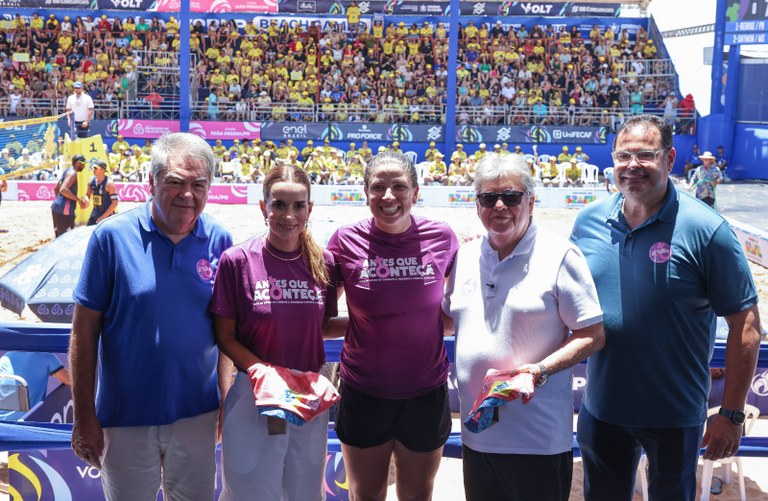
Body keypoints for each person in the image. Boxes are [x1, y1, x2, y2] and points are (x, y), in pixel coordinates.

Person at [570, 115, 761, 501]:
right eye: (623, 156)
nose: (632, 165)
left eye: (645, 155)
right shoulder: (588, 221)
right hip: (602, 410)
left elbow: (747, 325)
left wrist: (731, 413)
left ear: (670, 158)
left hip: (674, 417)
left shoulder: (707, 230)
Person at [69, 133, 233, 500]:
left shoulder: (221, 240)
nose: (187, 194)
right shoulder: (110, 238)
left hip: (197, 415)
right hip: (124, 417)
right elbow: (83, 331)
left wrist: (226, 401)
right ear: (151, 182)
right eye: (175, 182)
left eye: (199, 184)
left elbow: (225, 332)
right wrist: (83, 415)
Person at [443, 154, 605, 501]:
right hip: (477, 436)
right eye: (489, 197)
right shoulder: (465, 256)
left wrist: (539, 370)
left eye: (511, 196)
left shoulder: (560, 254)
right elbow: (445, 320)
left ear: (531, 202)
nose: (499, 205)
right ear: (477, 205)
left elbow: (592, 334)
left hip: (537, 440)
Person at [325, 151, 458, 501]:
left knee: (417, 495)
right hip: (363, 390)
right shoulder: (344, 241)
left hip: (425, 390)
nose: (388, 196)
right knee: (365, 494)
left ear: (415, 192)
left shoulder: (442, 236)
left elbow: (456, 309)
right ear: (365, 193)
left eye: (399, 186)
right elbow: (321, 321)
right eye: (377, 187)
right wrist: (366, 324)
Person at [211, 164, 338, 500]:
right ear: (262, 206)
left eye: (298, 205)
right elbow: (224, 336)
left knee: (304, 494)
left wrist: (381, 322)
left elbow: (322, 326)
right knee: (247, 493)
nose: (288, 215)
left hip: (307, 396)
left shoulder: (324, 262)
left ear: (310, 209)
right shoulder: (237, 260)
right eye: (279, 204)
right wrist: (261, 371)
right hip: (253, 393)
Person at [0, 351, 71, 421]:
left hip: (2, 421)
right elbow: (69, 380)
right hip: (24, 422)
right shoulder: (46, 355)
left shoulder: (5, 357)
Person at [51, 154, 88, 237]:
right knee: (67, 236)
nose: (84, 166)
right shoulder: (73, 173)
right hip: (65, 210)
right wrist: (78, 199)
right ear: (78, 163)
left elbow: (56, 189)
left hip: (56, 208)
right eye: (83, 164)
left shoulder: (67, 171)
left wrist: (59, 203)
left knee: (59, 236)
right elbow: (63, 189)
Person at [85, 159, 118, 226]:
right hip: (96, 213)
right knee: (89, 230)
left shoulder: (109, 183)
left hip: (108, 216)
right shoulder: (91, 181)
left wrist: (103, 217)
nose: (93, 170)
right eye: (93, 167)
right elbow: (87, 195)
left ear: (103, 170)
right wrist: (86, 199)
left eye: (96, 168)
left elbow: (115, 202)